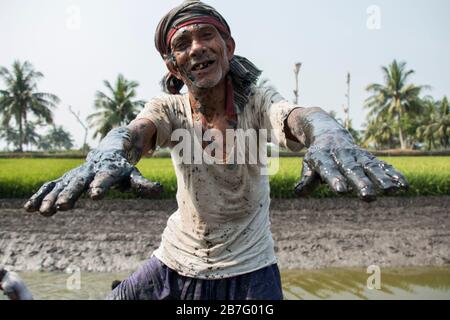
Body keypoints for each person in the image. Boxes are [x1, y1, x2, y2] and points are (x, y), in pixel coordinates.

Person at [24, 0, 408, 300]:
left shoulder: (256, 102)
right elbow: (134, 134)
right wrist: (107, 153)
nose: (196, 49)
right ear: (173, 66)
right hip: (173, 263)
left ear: (228, 46)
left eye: (205, 36)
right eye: (181, 45)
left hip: (251, 271)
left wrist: (327, 132)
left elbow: (296, 116)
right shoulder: (169, 109)